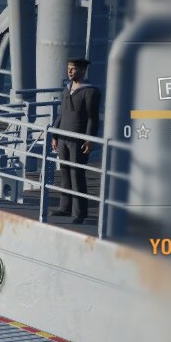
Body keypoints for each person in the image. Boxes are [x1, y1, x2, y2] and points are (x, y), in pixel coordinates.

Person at [52, 57, 100, 224]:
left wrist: (89, 139)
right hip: (63, 137)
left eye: (73, 68)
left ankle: (80, 212)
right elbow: (61, 114)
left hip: (78, 139)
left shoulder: (90, 92)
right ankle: (65, 207)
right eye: (69, 68)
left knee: (76, 174)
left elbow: (93, 118)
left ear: (83, 70)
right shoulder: (67, 89)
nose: (70, 71)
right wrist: (54, 134)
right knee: (65, 172)